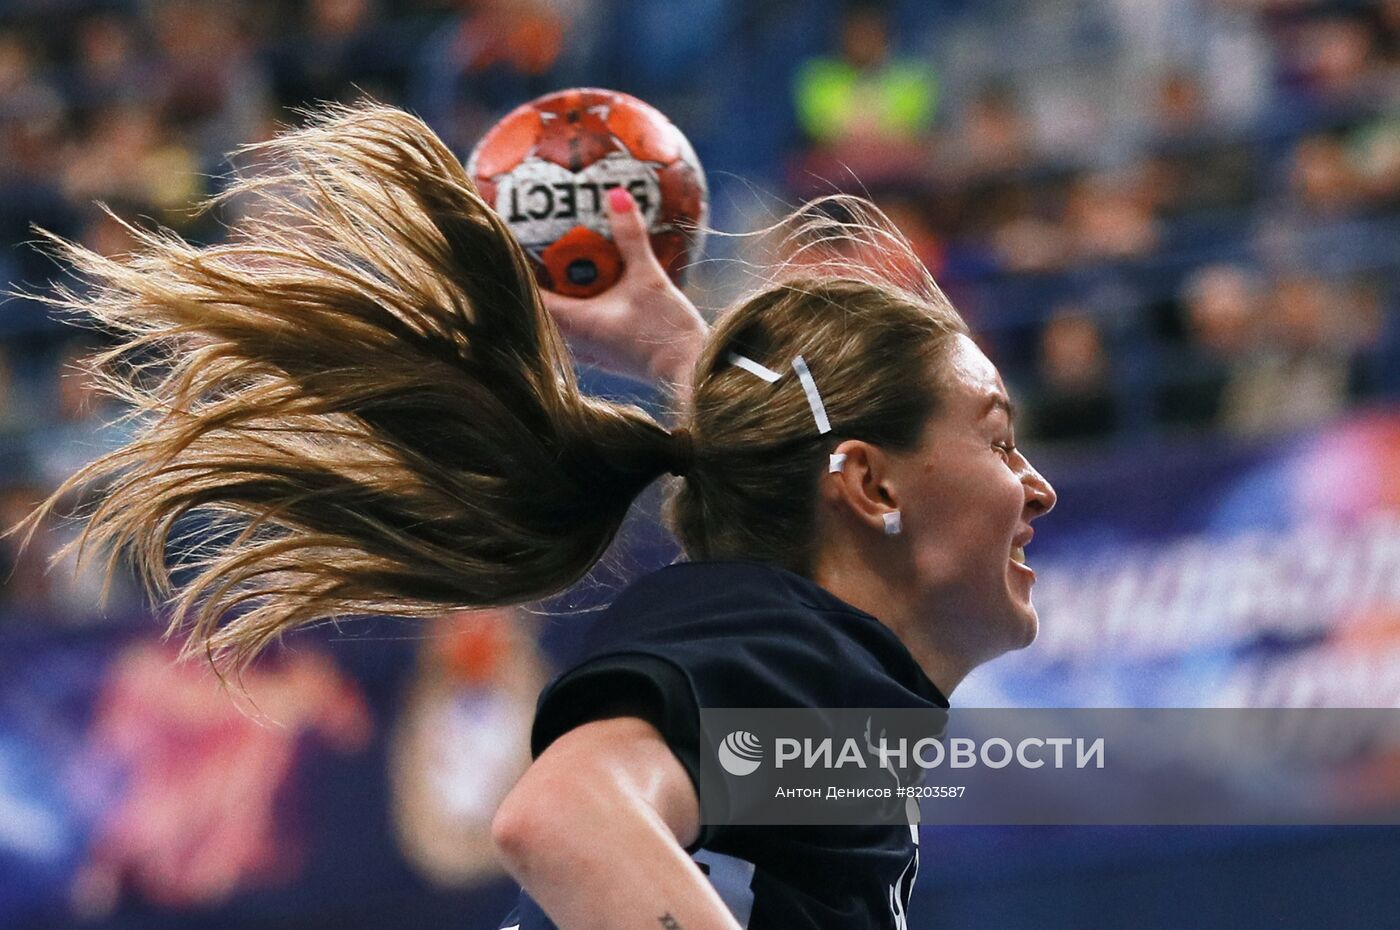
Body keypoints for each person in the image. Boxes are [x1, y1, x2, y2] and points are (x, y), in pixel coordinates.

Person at [22, 103, 1055, 929]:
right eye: (998, 438)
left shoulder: (825, 681)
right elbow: (562, 820)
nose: (1036, 485)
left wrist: (687, 366)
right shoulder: (792, 646)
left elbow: (792, 486)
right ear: (871, 487)